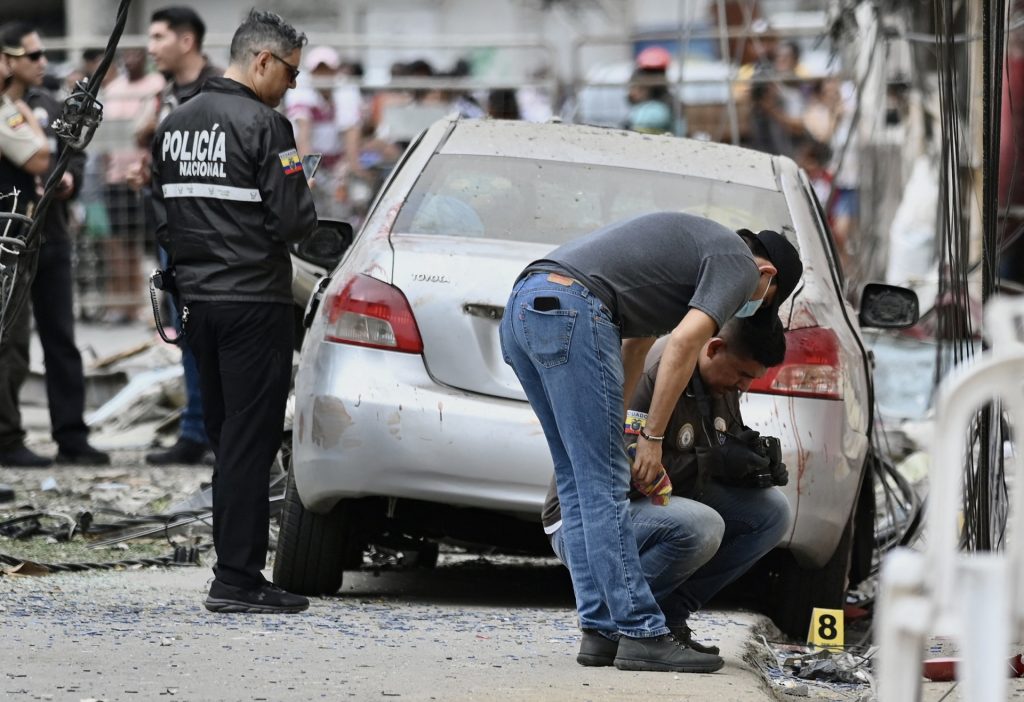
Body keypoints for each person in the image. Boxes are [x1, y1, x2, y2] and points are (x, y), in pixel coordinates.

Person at [498, 212, 801, 673]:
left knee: (581, 478)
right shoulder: (737, 264)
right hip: (573, 308)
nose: (750, 307)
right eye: (762, 303)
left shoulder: (685, 268)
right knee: (601, 484)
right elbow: (680, 347)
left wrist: (615, 428)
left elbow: (636, 346)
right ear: (767, 275)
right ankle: (641, 632)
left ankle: (600, 633)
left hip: (527, 307)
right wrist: (651, 439)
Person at [151, 9, 317, 613]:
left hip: (197, 305)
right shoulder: (267, 127)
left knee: (228, 441)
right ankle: (238, 580)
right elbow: (296, 223)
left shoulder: (173, 124)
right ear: (262, 61)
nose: (291, 87)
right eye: (290, 74)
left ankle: (235, 572)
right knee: (250, 442)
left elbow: (163, 216)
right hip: (255, 304)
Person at [543, 315, 792, 665]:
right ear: (714, 348)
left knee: (771, 512)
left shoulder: (718, 383)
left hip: (644, 510)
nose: (744, 386)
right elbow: (626, 470)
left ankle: (668, 619)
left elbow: (709, 448)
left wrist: (751, 465)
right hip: (585, 516)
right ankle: (622, 627)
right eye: (741, 375)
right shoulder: (657, 369)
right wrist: (715, 460)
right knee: (702, 525)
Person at [0, 23, 108, 467]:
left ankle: (71, 435)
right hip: (12, 237)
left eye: (43, 53)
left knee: (61, 340)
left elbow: (73, 158)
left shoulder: (51, 103)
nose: (41, 61)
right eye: (31, 55)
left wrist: (69, 181)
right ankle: (8, 437)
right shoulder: (9, 108)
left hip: (53, 234)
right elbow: (40, 158)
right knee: (12, 339)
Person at [133, 6, 221, 466]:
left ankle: (212, 432)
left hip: (205, 234)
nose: (151, 48)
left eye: (159, 37)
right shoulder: (170, 92)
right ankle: (196, 430)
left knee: (208, 329)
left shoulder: (218, 91)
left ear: (186, 41)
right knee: (184, 330)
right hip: (170, 227)